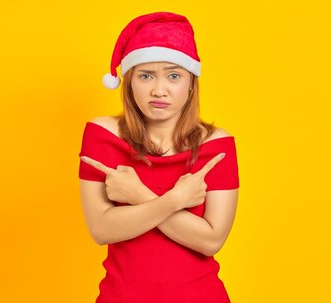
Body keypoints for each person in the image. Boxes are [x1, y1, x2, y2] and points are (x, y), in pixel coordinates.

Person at [78, 12, 239, 303]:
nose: (159, 90)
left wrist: (137, 194)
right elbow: (101, 229)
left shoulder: (217, 145)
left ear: (191, 83)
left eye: (174, 75)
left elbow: (210, 241)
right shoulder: (103, 134)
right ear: (129, 82)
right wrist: (176, 200)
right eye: (145, 75)